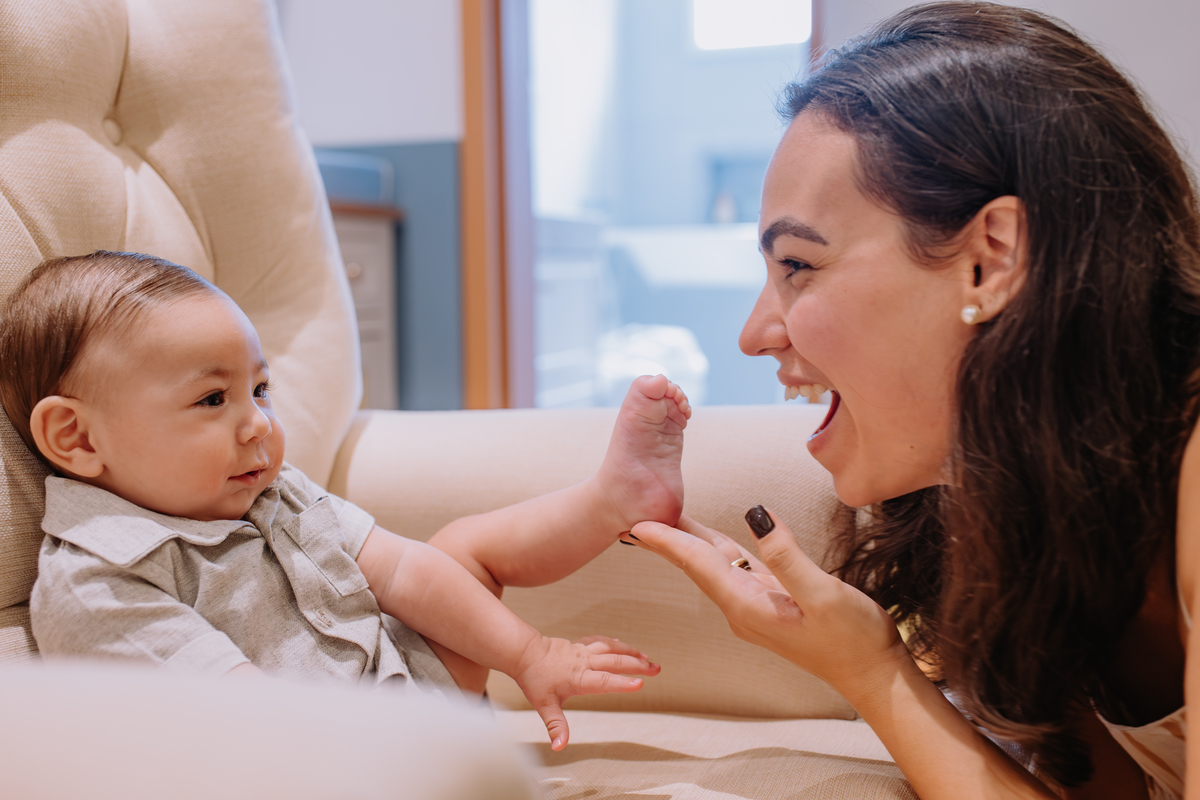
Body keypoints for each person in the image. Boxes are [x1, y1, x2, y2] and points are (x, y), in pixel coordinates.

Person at [620, 3, 1200, 799]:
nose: (755, 335)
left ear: (991, 259)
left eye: (798, 266)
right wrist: (869, 662)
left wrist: (873, 672)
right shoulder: (1038, 504)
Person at [0, 250, 691, 752]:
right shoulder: (99, 587)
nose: (258, 424)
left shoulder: (269, 489)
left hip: (408, 690)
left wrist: (530, 654)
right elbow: (243, 724)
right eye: (212, 399)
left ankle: (611, 500)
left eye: (260, 390)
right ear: (77, 438)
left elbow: (402, 570)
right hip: (321, 759)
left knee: (463, 551)